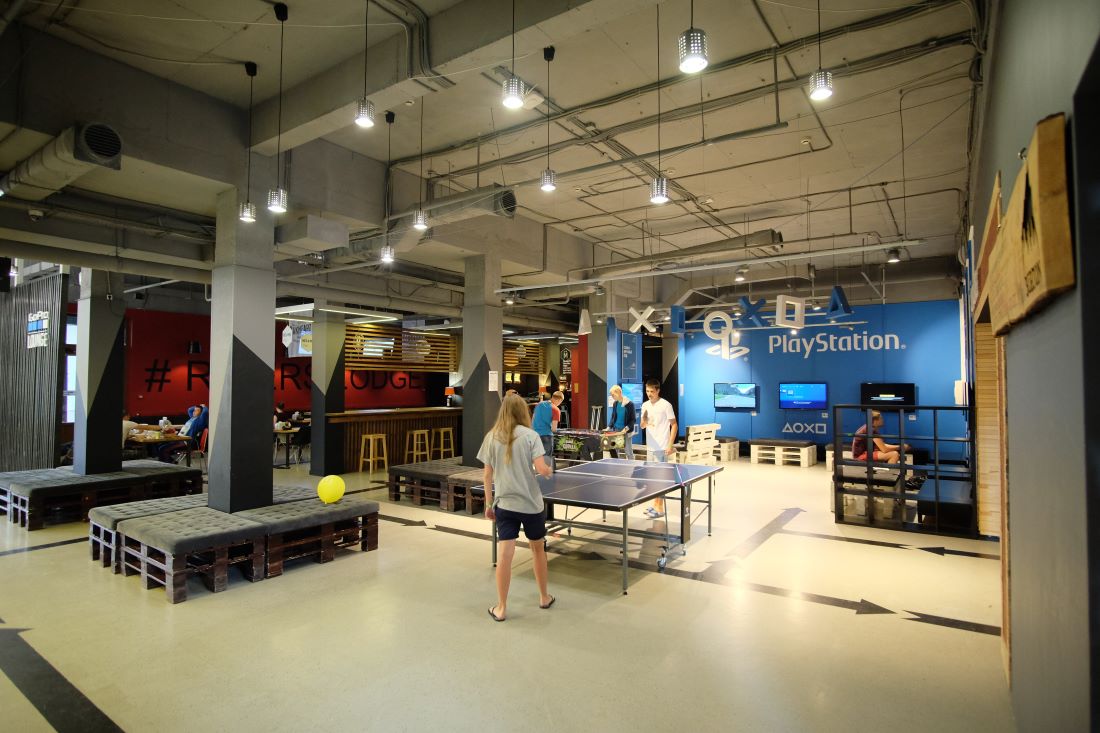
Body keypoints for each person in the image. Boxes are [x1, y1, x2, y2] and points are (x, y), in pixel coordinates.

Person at [478, 393, 554, 622]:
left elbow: (487, 475)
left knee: (505, 556)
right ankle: (544, 597)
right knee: (538, 550)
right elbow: (541, 468)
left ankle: (501, 608)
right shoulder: (531, 436)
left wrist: (488, 504)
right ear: (523, 412)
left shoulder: (491, 437)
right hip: (531, 505)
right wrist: (548, 470)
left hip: (505, 505)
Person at [639, 378, 676, 518]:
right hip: (650, 447)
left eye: (652, 391)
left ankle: (660, 509)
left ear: (658, 390)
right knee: (653, 479)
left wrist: (670, 444)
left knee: (660, 479)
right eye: (647, 391)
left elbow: (674, 425)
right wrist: (644, 421)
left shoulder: (666, 405)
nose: (649, 394)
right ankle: (655, 505)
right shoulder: (645, 405)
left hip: (661, 446)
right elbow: (643, 426)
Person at [531, 390, 564, 470]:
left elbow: (533, 419)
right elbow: (554, 428)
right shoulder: (556, 410)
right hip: (546, 436)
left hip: (534, 435)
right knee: (545, 462)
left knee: (534, 459)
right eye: (560, 402)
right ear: (559, 400)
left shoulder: (539, 404)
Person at [605, 385, 636, 460]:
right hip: (616, 430)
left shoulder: (630, 404)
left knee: (628, 452)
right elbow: (613, 417)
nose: (612, 396)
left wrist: (626, 429)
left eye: (613, 395)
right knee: (615, 452)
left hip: (626, 432)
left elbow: (633, 420)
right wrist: (609, 427)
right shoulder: (615, 403)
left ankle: (632, 465)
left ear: (619, 392)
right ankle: (616, 465)